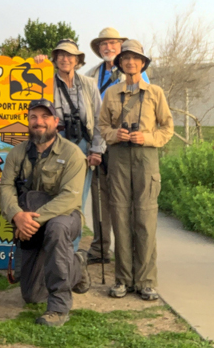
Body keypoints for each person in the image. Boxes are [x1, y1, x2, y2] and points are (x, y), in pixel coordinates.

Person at [0, 99, 91, 327]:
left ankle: (59, 307)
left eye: (45, 117)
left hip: (64, 218)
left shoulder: (73, 154)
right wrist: (16, 216)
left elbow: (70, 197)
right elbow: (6, 187)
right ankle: (76, 268)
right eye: (33, 117)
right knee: (31, 296)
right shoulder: (17, 153)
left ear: (55, 122)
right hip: (28, 221)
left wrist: (33, 219)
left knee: (57, 229)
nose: (38, 122)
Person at [98, 40, 173, 301]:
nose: (130, 62)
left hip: (146, 160)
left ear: (142, 63)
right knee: (119, 218)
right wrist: (113, 134)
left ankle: (146, 281)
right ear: (120, 64)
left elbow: (167, 127)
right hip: (118, 160)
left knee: (146, 220)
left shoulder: (155, 93)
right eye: (125, 58)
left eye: (135, 58)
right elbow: (102, 126)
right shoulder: (110, 94)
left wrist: (148, 138)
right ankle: (123, 280)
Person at [84, 27, 150, 264]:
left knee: (124, 200)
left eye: (113, 43)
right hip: (97, 142)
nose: (108, 47)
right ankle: (100, 248)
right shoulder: (91, 74)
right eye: (104, 44)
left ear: (121, 48)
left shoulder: (135, 74)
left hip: (123, 145)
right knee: (99, 198)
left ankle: (129, 251)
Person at [51, 39, 105, 249]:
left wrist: (97, 150)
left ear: (77, 60)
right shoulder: (45, 82)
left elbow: (100, 119)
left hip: (83, 145)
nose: (65, 59)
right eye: (61, 55)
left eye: (70, 56)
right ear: (55, 59)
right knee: (54, 196)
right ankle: (53, 250)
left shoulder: (89, 84)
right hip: (55, 146)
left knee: (77, 200)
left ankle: (70, 251)